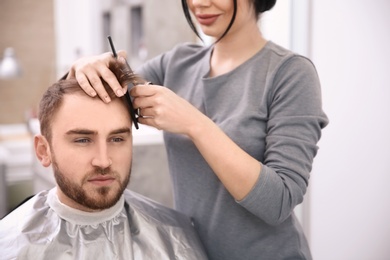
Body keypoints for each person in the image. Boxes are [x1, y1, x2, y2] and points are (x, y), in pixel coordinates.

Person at [66, 0, 329, 259]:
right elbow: (91, 102)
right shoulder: (177, 64)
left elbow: (278, 203)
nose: (199, 3)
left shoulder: (290, 73)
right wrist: (84, 69)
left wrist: (195, 124)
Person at [0, 60, 208, 259]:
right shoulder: (8, 245)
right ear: (44, 150)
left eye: (117, 139)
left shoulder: (173, 238)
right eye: (82, 140)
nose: (103, 161)